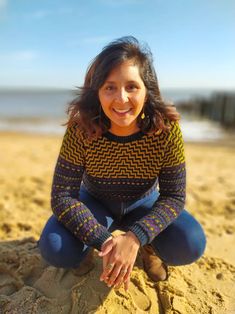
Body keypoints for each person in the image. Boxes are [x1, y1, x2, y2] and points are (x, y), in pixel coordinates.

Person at [39, 36, 206, 291]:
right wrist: (104, 240)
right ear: (97, 91)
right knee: (55, 248)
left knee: (191, 243)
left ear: (147, 89)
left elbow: (173, 196)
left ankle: (149, 248)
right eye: (110, 87)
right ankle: (87, 251)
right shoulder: (81, 128)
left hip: (144, 203)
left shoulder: (166, 130)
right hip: (95, 202)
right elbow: (63, 196)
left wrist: (136, 237)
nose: (121, 99)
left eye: (131, 87)